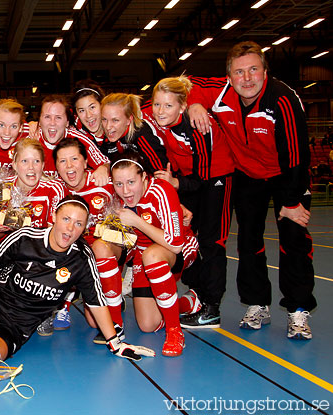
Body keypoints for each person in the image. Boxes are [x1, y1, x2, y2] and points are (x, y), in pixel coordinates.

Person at [0, 195, 155, 361]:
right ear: (54, 217)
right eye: (66, 219)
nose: (70, 228)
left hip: (14, 324)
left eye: (78, 224)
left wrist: (116, 343)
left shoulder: (82, 258)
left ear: (84, 229)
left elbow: (96, 301)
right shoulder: (25, 237)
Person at [187, 41, 315, 339]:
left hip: (287, 175)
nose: (247, 78)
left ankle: (298, 310)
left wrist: (293, 200)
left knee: (294, 240)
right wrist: (194, 102)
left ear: (265, 71)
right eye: (239, 72)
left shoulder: (282, 99)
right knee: (248, 242)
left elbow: (297, 154)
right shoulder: (220, 90)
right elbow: (186, 82)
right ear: (229, 77)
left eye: (253, 70)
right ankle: (258, 303)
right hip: (247, 175)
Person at [146, 76, 235, 329]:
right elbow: (132, 110)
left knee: (212, 242)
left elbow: (203, 178)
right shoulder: (159, 117)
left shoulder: (198, 127)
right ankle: (196, 295)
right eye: (157, 105)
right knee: (187, 237)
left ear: (182, 107)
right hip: (190, 179)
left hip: (216, 179)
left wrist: (176, 185)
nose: (160, 111)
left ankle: (212, 307)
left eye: (168, 106)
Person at [110, 151, 199, 357]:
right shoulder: (116, 196)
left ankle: (175, 331)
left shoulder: (162, 191)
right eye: (119, 184)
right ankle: (188, 303)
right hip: (144, 253)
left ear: (143, 177)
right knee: (148, 325)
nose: (125, 190)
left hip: (178, 248)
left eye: (131, 182)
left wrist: (137, 222)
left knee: (152, 255)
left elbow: (176, 244)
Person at [53, 138, 122, 341]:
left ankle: (116, 324)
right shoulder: (57, 191)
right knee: (93, 322)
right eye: (62, 161)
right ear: (56, 167)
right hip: (80, 253)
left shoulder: (103, 182)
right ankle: (61, 304)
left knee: (98, 248)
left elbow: (135, 188)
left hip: (110, 246)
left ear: (85, 162)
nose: (69, 166)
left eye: (74, 159)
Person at [0, 138, 67, 242]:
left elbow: (53, 236)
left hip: (40, 251)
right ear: (15, 165)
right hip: (8, 252)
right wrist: (1, 228)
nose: (31, 167)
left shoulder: (53, 189)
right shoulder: (3, 187)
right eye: (24, 161)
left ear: (43, 165)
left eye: (36, 161)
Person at [36, 95, 109, 179]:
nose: (52, 123)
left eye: (58, 117)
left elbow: (104, 163)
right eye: (47, 117)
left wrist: (103, 169)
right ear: (39, 121)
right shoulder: (31, 138)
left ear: (67, 122)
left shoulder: (78, 139)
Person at [100, 93, 168, 174]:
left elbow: (161, 173)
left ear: (129, 120)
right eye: (104, 119)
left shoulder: (142, 135)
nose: (108, 127)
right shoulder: (110, 135)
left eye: (115, 120)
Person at [71, 80, 105, 144]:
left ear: (102, 105)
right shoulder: (73, 134)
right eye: (82, 110)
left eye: (92, 107)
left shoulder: (116, 127)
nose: (88, 115)